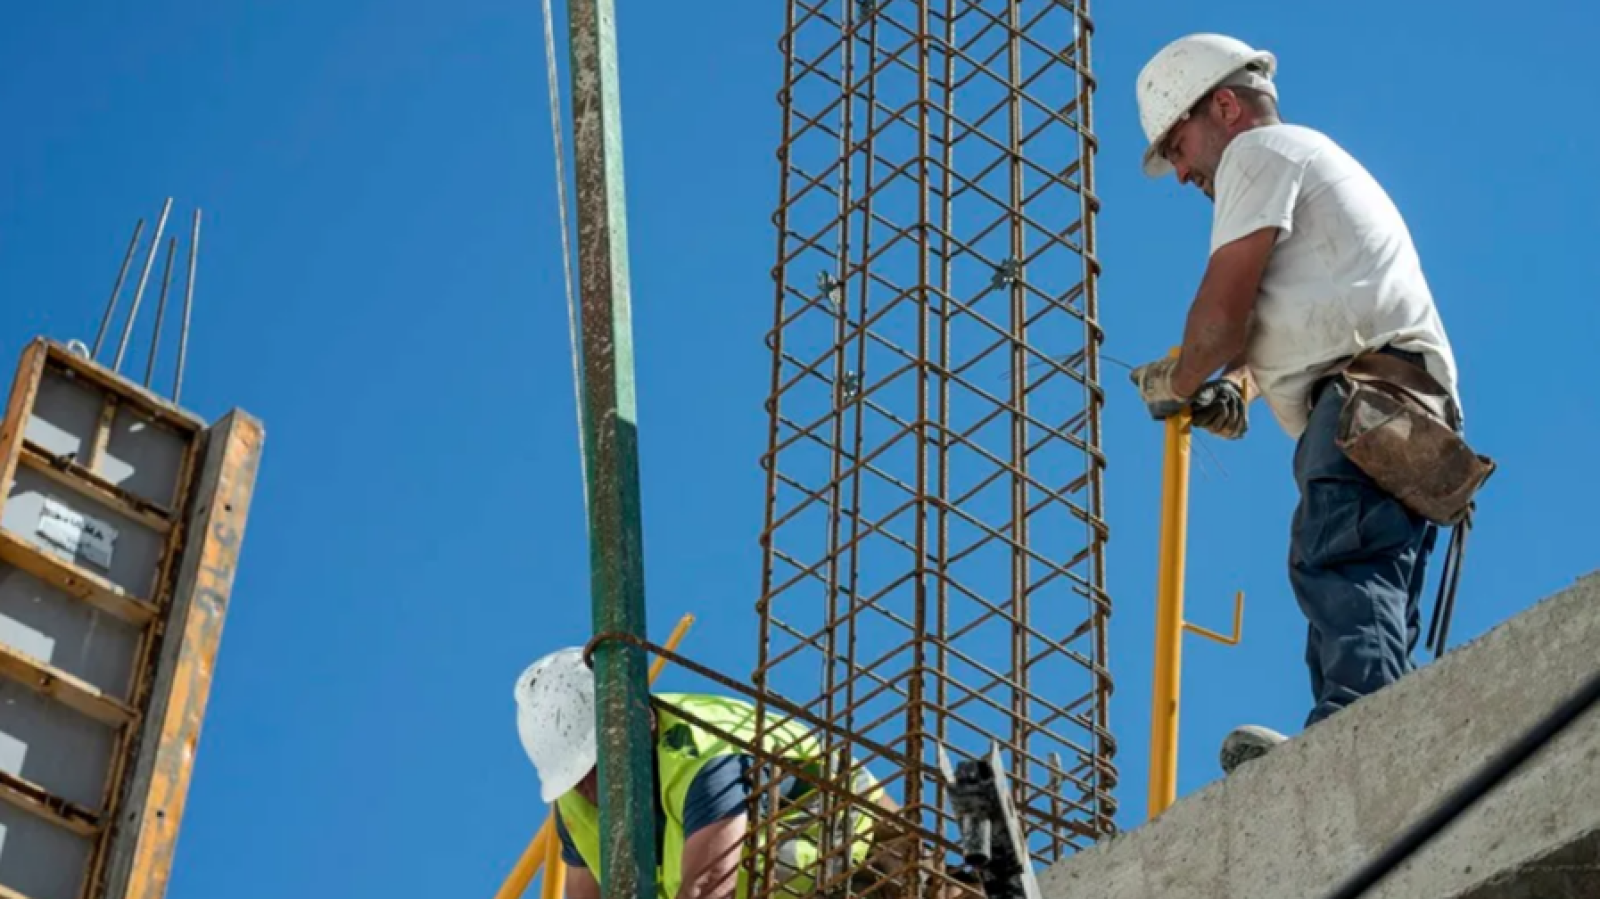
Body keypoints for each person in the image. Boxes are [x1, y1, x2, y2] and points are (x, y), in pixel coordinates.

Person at [1126, 34, 1464, 773]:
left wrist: (1181, 381)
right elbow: (1302, 307)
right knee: (1352, 586)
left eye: (1179, 145)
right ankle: (1367, 747)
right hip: (1394, 404)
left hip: (1366, 404)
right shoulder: (1305, 162)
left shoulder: (1259, 154)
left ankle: (1358, 736)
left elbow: (1221, 317)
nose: (1181, 172)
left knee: (1339, 566)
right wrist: (1237, 385)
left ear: (1224, 106)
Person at [514, 648, 903, 899]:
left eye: (596, 768)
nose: (590, 787)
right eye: (579, 777)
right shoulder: (575, 796)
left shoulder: (701, 754)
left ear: (643, 723)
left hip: (850, 829)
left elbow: (710, 884)